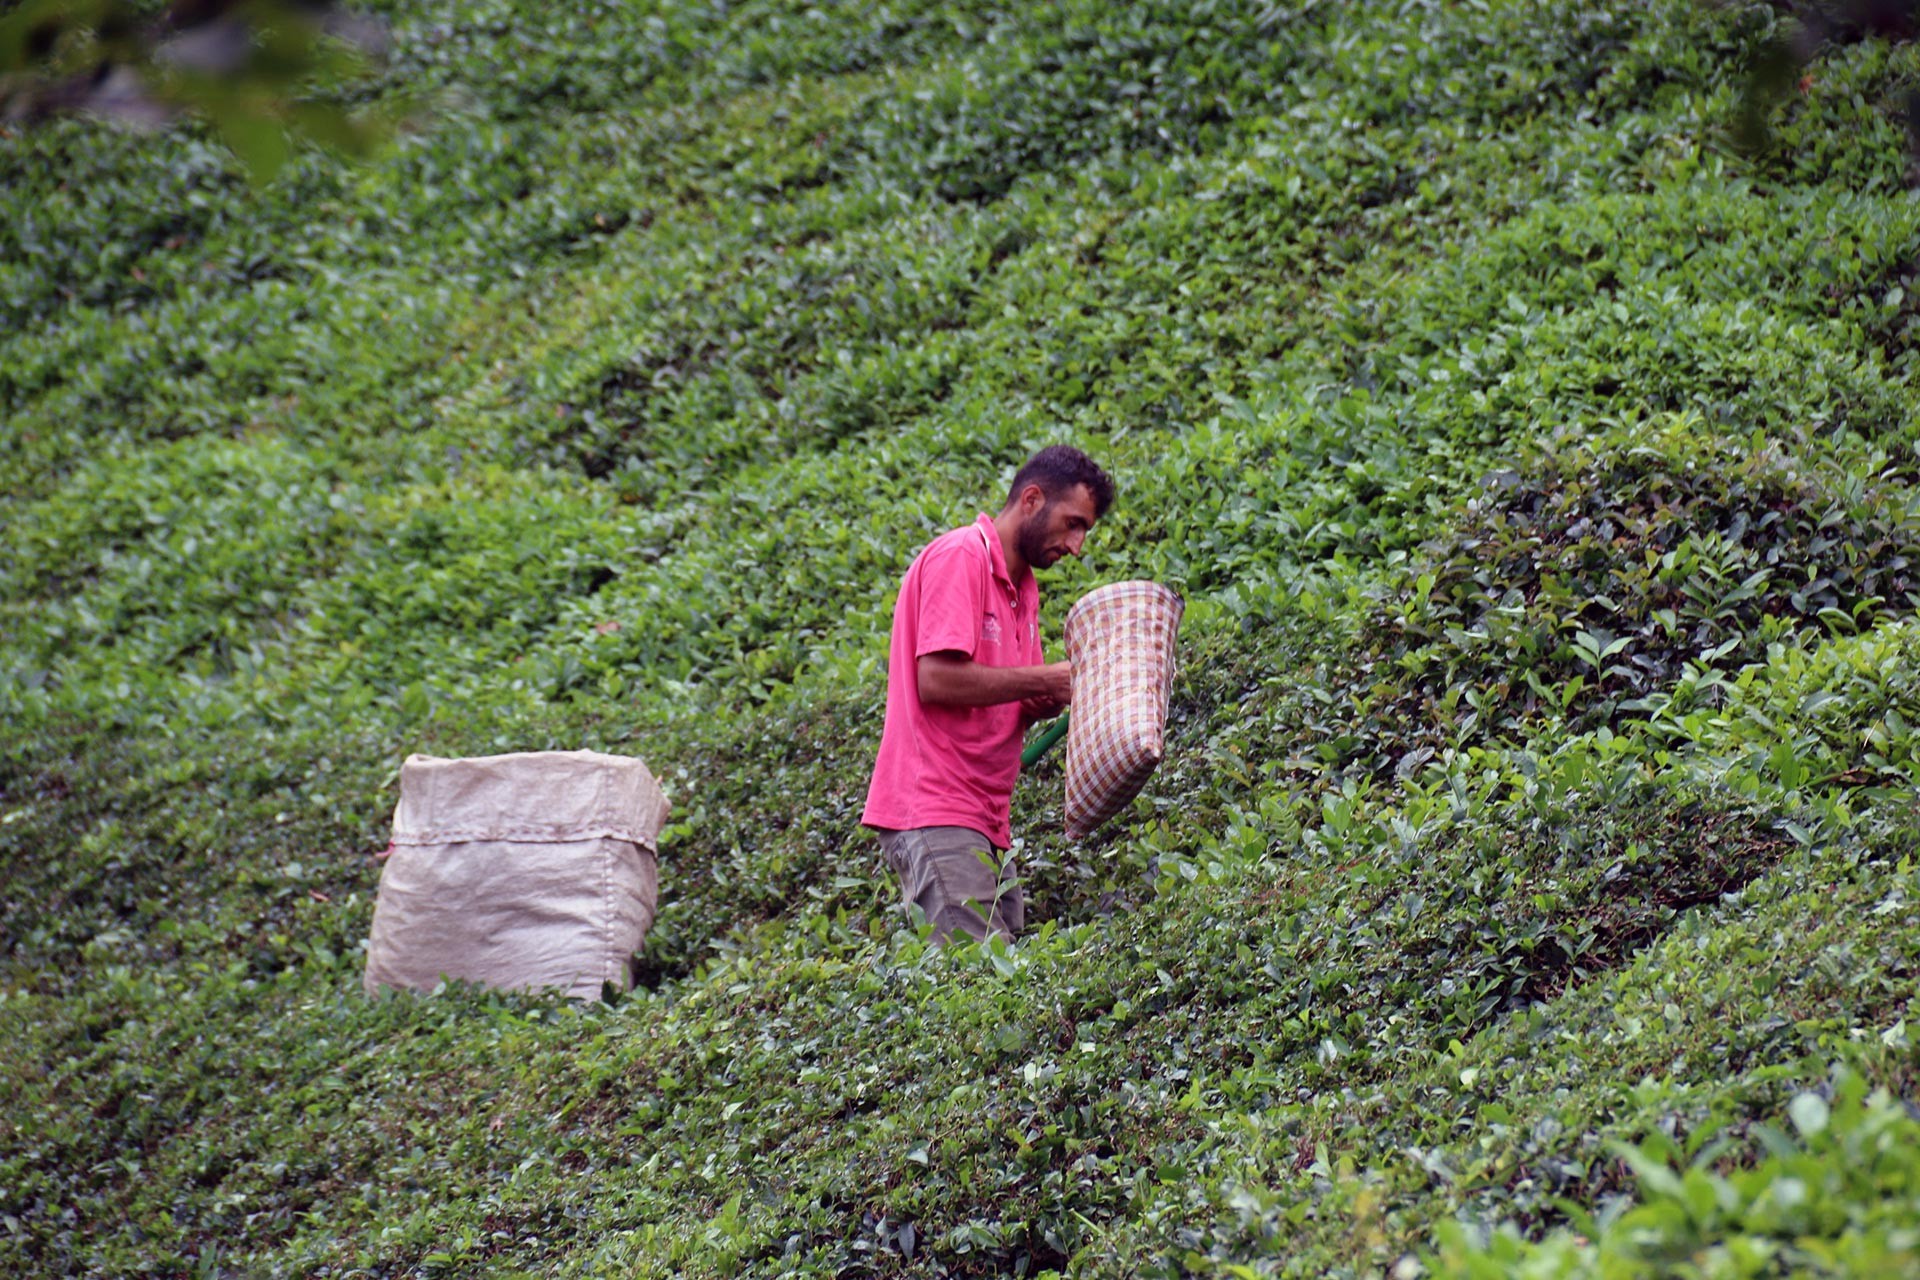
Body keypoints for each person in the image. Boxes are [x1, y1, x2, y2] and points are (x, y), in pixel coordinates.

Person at [861, 445, 1116, 944]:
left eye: (1084, 530)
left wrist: (1054, 696)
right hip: (937, 808)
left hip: (986, 819)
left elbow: (1002, 691)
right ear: (1032, 499)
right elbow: (936, 679)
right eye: (1072, 523)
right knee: (979, 978)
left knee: (1001, 974)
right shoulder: (963, 557)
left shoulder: (1024, 589)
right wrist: (1043, 680)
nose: (1077, 546)